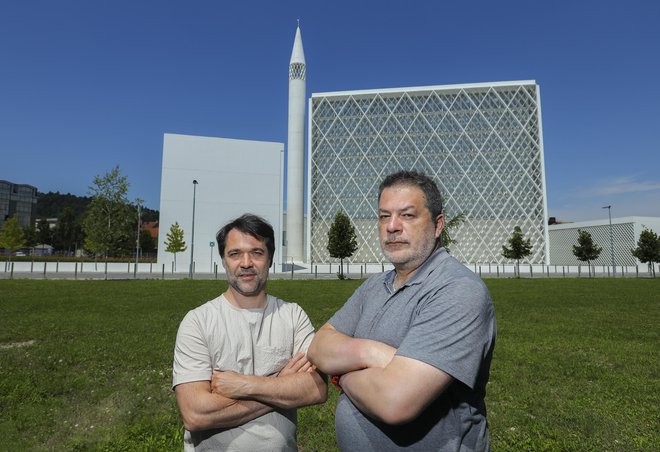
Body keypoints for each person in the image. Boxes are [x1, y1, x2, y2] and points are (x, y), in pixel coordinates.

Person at [308, 170, 496, 451]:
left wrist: (340, 375)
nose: (392, 226)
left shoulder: (458, 290)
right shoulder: (374, 286)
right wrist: (369, 353)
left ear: (437, 225)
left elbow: (395, 402)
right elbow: (318, 345)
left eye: (407, 215)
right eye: (384, 216)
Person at [172, 214, 327, 451]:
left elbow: (316, 388)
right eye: (235, 254)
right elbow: (195, 414)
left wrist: (245, 385)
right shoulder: (198, 322)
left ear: (270, 259)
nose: (246, 263)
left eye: (256, 252)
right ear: (223, 261)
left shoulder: (293, 315)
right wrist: (281, 383)